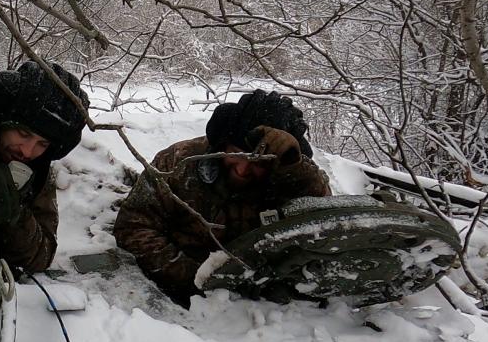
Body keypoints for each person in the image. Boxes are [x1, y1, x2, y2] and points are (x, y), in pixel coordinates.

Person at [113, 90, 332, 306]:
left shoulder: (292, 179)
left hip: (262, 305)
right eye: (237, 154)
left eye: (259, 163)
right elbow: (133, 225)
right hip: (182, 289)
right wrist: (199, 277)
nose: (243, 169)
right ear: (223, 143)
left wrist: (295, 170)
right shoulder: (178, 162)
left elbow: (327, 226)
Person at [0, 60, 89, 276]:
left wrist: (13, 208)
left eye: (42, 144)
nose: (27, 151)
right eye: (23, 134)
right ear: (1, 122)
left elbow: (40, 256)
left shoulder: (35, 171)